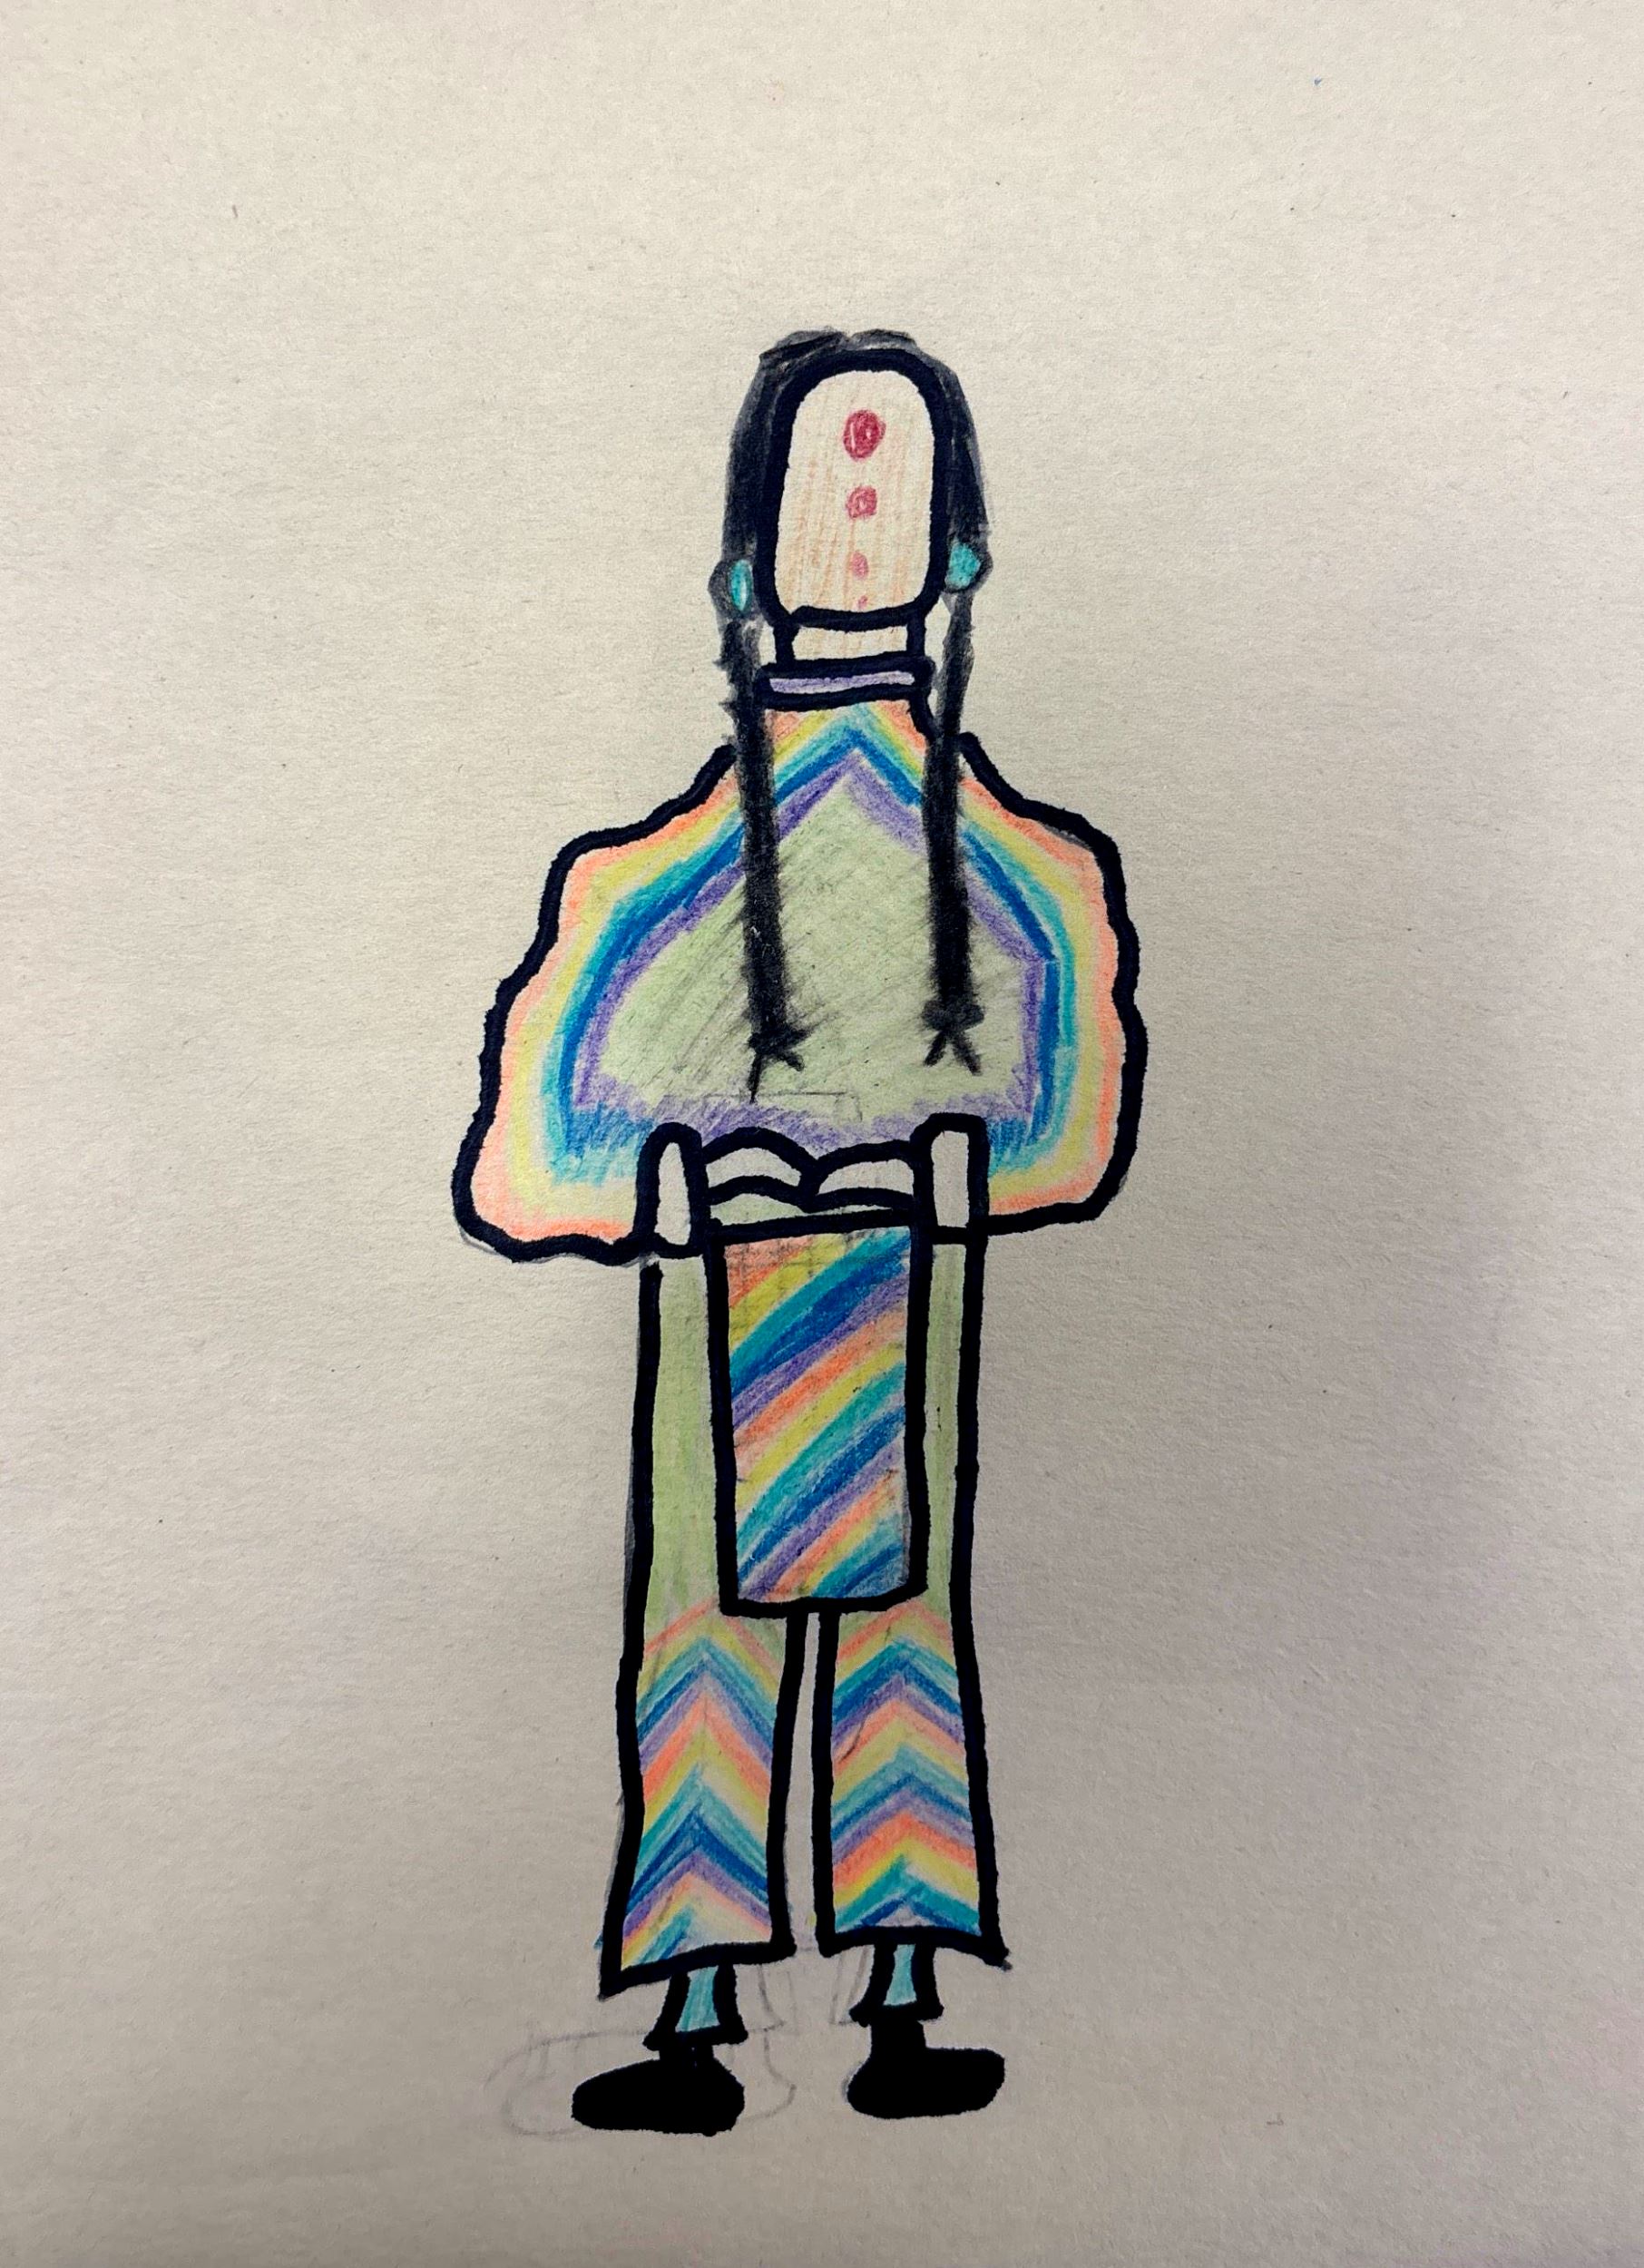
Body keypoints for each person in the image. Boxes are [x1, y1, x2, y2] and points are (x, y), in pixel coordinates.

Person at [455, 328, 1144, 2130]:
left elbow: (1072, 1125)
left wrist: (928, 1167)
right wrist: (684, 1180)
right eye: (825, 468)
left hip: (908, 1279)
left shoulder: (1025, 877)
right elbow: (531, 1151)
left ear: (960, 544)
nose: (856, 502)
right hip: (723, 1287)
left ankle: (901, 1989)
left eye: (890, 471)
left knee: (905, 1628)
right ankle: (696, 2009)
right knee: (702, 1625)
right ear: (743, 555)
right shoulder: (652, 881)